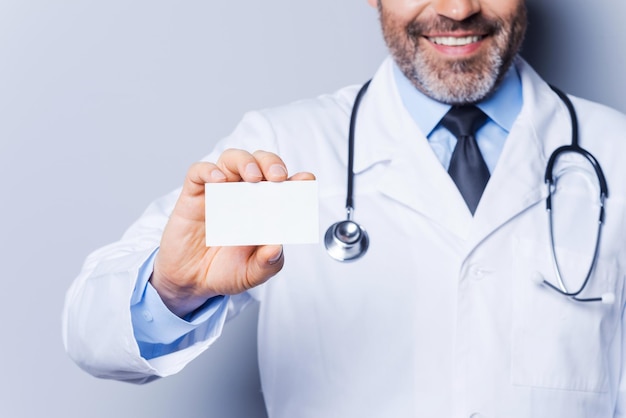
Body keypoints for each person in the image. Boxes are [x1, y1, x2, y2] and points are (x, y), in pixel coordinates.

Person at [63, 0, 626, 416]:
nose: (459, 10)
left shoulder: (615, 153)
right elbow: (93, 334)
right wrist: (175, 289)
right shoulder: (284, 148)